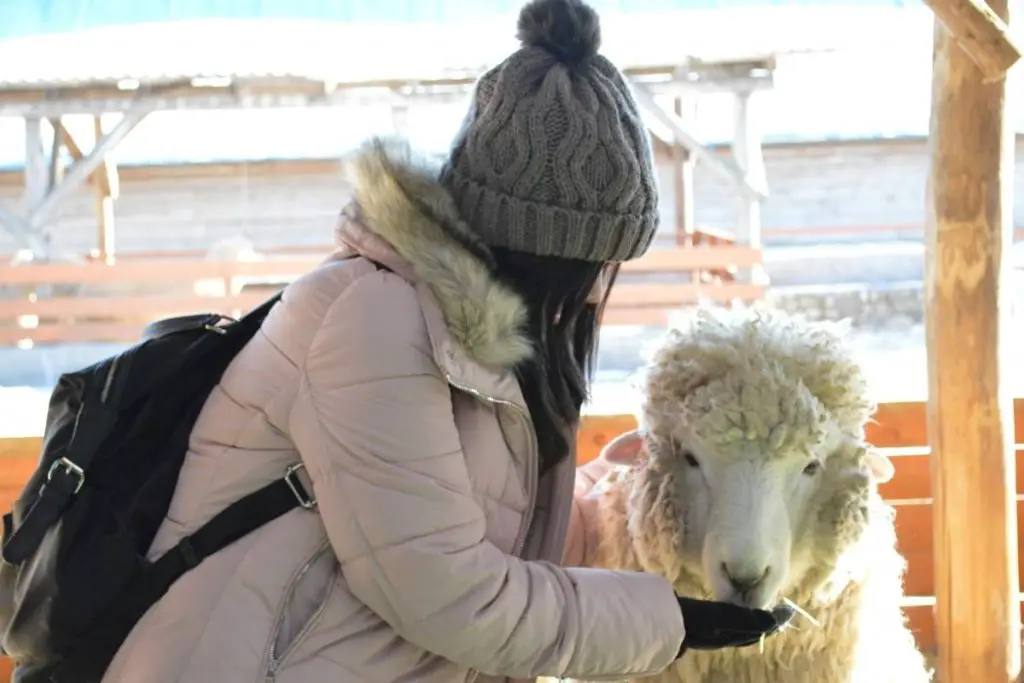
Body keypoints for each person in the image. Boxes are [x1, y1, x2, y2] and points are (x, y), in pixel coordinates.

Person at [100, 1, 791, 681]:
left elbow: (455, 518)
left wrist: (606, 492)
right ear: (539, 250)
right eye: (592, 266)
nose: (592, 291)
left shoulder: (468, 338)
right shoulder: (374, 321)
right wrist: (665, 622)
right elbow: (448, 592)